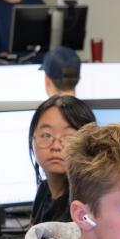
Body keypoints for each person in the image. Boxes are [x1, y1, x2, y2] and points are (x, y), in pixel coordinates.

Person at [29, 95, 96, 225]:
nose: (56, 146)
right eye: (46, 135)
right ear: (33, 139)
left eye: (69, 137)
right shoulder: (44, 190)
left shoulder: (86, 206)